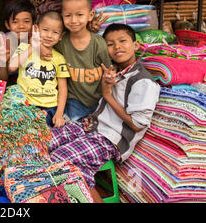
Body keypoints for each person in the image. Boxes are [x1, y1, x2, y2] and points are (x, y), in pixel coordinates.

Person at [48, 23, 161, 202]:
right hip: (89, 127)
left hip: (110, 138)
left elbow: (137, 125)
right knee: (41, 142)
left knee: (59, 160)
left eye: (123, 41)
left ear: (136, 45)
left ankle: (84, 187)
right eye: (110, 43)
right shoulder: (113, 70)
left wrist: (107, 94)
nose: (117, 47)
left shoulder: (143, 82)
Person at [54, 0, 112, 123]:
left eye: (79, 15)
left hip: (98, 99)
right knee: (71, 125)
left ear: (90, 15)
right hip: (75, 100)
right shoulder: (61, 43)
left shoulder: (99, 44)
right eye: (68, 15)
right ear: (62, 16)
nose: (73, 20)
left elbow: (108, 71)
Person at [8, 11, 70, 128]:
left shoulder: (59, 58)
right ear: (36, 29)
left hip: (49, 107)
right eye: (45, 30)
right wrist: (34, 47)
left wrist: (59, 113)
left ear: (61, 36)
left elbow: (63, 89)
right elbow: (12, 67)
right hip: (24, 105)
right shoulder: (25, 48)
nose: (49, 35)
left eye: (55, 32)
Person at [0, 0, 36, 84]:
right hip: (7, 83)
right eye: (15, 22)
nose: (21, 26)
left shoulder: (37, 40)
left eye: (26, 21)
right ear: (7, 25)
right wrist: (3, 63)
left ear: (33, 23)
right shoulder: (0, 43)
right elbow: (1, 81)